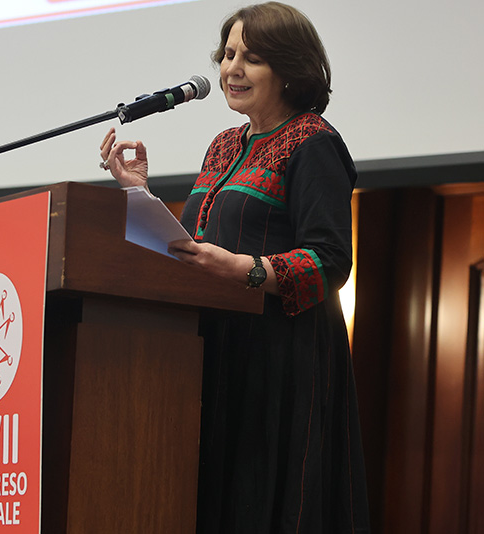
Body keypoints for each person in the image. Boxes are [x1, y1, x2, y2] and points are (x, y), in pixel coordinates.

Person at [100, 3, 369, 532]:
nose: (231, 69)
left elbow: (330, 259)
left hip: (281, 358)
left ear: (290, 69)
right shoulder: (224, 147)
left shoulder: (314, 143)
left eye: (252, 57)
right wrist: (140, 195)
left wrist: (248, 270)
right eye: (227, 55)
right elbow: (196, 249)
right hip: (215, 348)